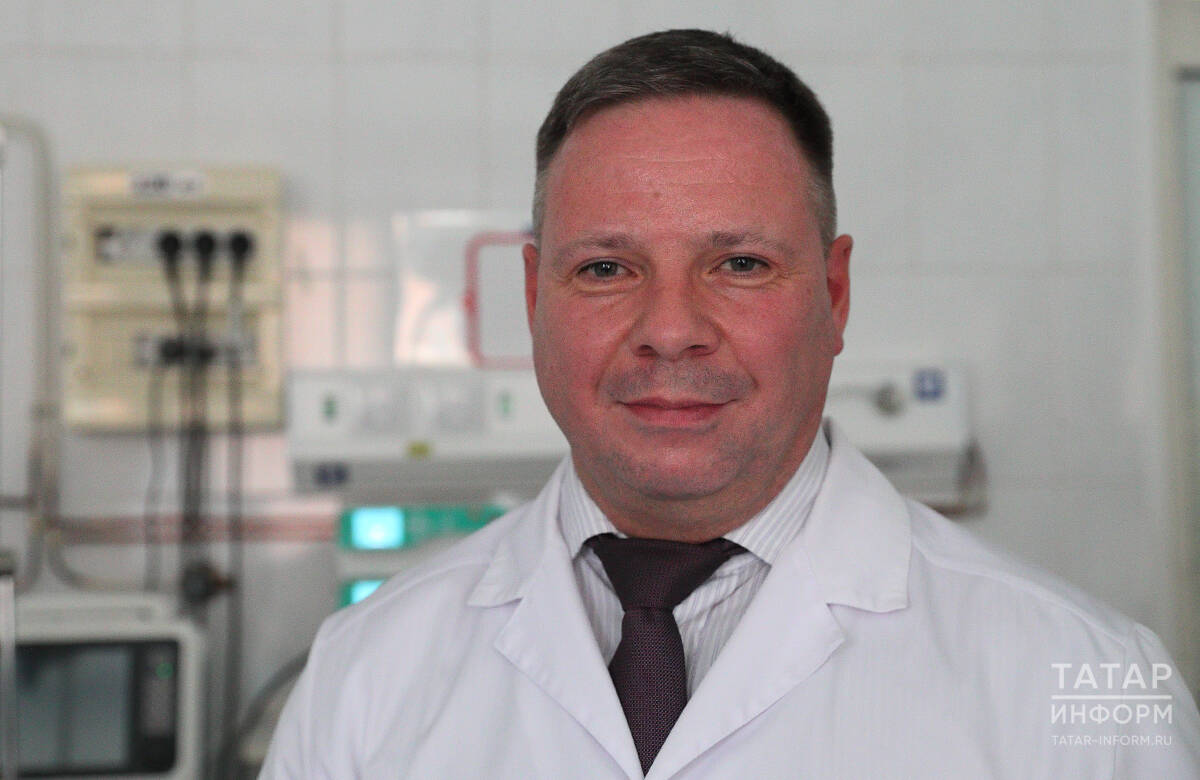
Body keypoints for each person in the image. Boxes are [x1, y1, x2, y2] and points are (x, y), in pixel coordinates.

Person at [260, 30, 1200, 778]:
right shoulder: (365, 675)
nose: (671, 330)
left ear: (834, 294)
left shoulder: (1087, 683)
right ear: (534, 295)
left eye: (740, 264)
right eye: (606, 269)